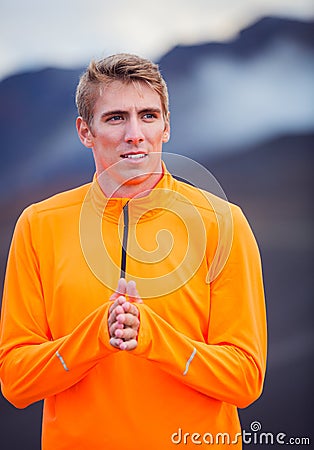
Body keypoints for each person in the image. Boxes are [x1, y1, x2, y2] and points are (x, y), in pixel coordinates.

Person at [0, 53, 267, 449]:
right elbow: (16, 381)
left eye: (148, 115)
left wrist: (154, 338)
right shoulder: (39, 225)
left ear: (166, 126)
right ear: (85, 131)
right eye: (115, 117)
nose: (135, 134)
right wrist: (95, 336)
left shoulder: (224, 223)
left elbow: (245, 379)